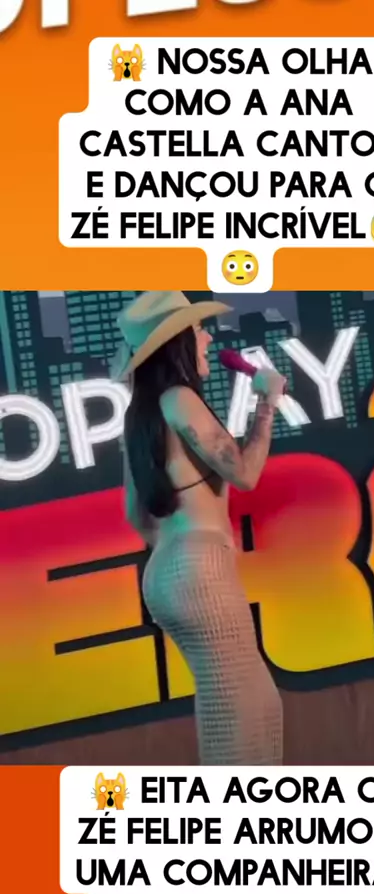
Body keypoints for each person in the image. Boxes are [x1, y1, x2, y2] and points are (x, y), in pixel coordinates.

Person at [111, 290, 286, 764]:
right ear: (177, 344)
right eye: (198, 330)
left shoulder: (140, 413)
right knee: (244, 706)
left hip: (166, 573)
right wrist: (266, 404)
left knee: (238, 700)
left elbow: (135, 513)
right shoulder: (179, 398)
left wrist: (177, 550)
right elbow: (244, 473)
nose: (207, 338)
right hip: (199, 571)